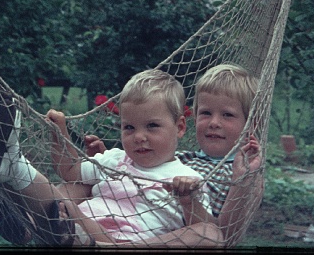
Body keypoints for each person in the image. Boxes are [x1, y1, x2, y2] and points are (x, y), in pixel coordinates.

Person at [0, 69, 215, 247]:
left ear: (180, 127)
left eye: (152, 126)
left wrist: (188, 199)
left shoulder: (188, 178)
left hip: (117, 242)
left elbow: (203, 231)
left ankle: (13, 170)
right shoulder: (116, 159)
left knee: (64, 207)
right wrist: (59, 134)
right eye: (129, 128)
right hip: (73, 228)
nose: (139, 137)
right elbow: (71, 171)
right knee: (67, 200)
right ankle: (18, 211)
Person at [83, 63, 264, 246]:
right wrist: (107, 159)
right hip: (129, 221)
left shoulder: (244, 174)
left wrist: (242, 181)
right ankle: (58, 210)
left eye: (227, 115)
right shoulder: (183, 158)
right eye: (206, 113)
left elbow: (226, 237)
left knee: (208, 233)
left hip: (169, 240)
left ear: (251, 124)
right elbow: (138, 174)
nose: (214, 122)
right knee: (82, 182)